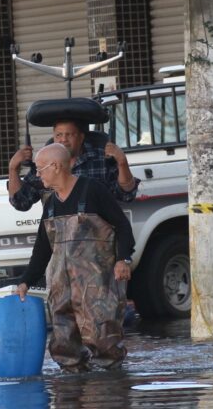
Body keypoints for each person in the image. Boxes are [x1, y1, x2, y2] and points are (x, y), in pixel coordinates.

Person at [15, 143, 135, 372]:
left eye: (40, 169)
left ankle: (112, 385)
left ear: (56, 166)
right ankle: (71, 385)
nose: (37, 175)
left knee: (103, 339)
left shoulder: (92, 190)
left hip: (98, 288)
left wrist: (123, 259)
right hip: (61, 290)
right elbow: (42, 248)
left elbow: (122, 226)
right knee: (64, 344)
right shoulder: (50, 203)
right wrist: (25, 281)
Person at [7, 118, 137, 211]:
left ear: (81, 137)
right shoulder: (44, 164)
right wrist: (13, 168)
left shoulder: (101, 159)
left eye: (69, 134)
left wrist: (122, 162)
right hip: (60, 237)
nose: (63, 139)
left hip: (98, 236)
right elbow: (21, 202)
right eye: (59, 135)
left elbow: (126, 195)